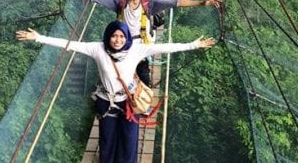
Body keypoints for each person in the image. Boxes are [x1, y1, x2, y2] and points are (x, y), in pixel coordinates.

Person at [16, 21, 215, 163]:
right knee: (107, 138)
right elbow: (70, 45)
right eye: (114, 35)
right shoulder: (97, 48)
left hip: (129, 103)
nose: (117, 40)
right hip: (106, 101)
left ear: (127, 37)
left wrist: (194, 45)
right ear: (108, 36)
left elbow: (166, 47)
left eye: (121, 36)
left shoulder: (136, 49)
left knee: (129, 138)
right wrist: (38, 38)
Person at [46, 0, 222, 85]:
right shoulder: (119, 1)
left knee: (143, 72)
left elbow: (176, 2)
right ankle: (123, 93)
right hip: (122, 43)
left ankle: (141, 99)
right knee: (119, 70)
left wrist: (201, 2)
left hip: (143, 42)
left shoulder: (149, 2)